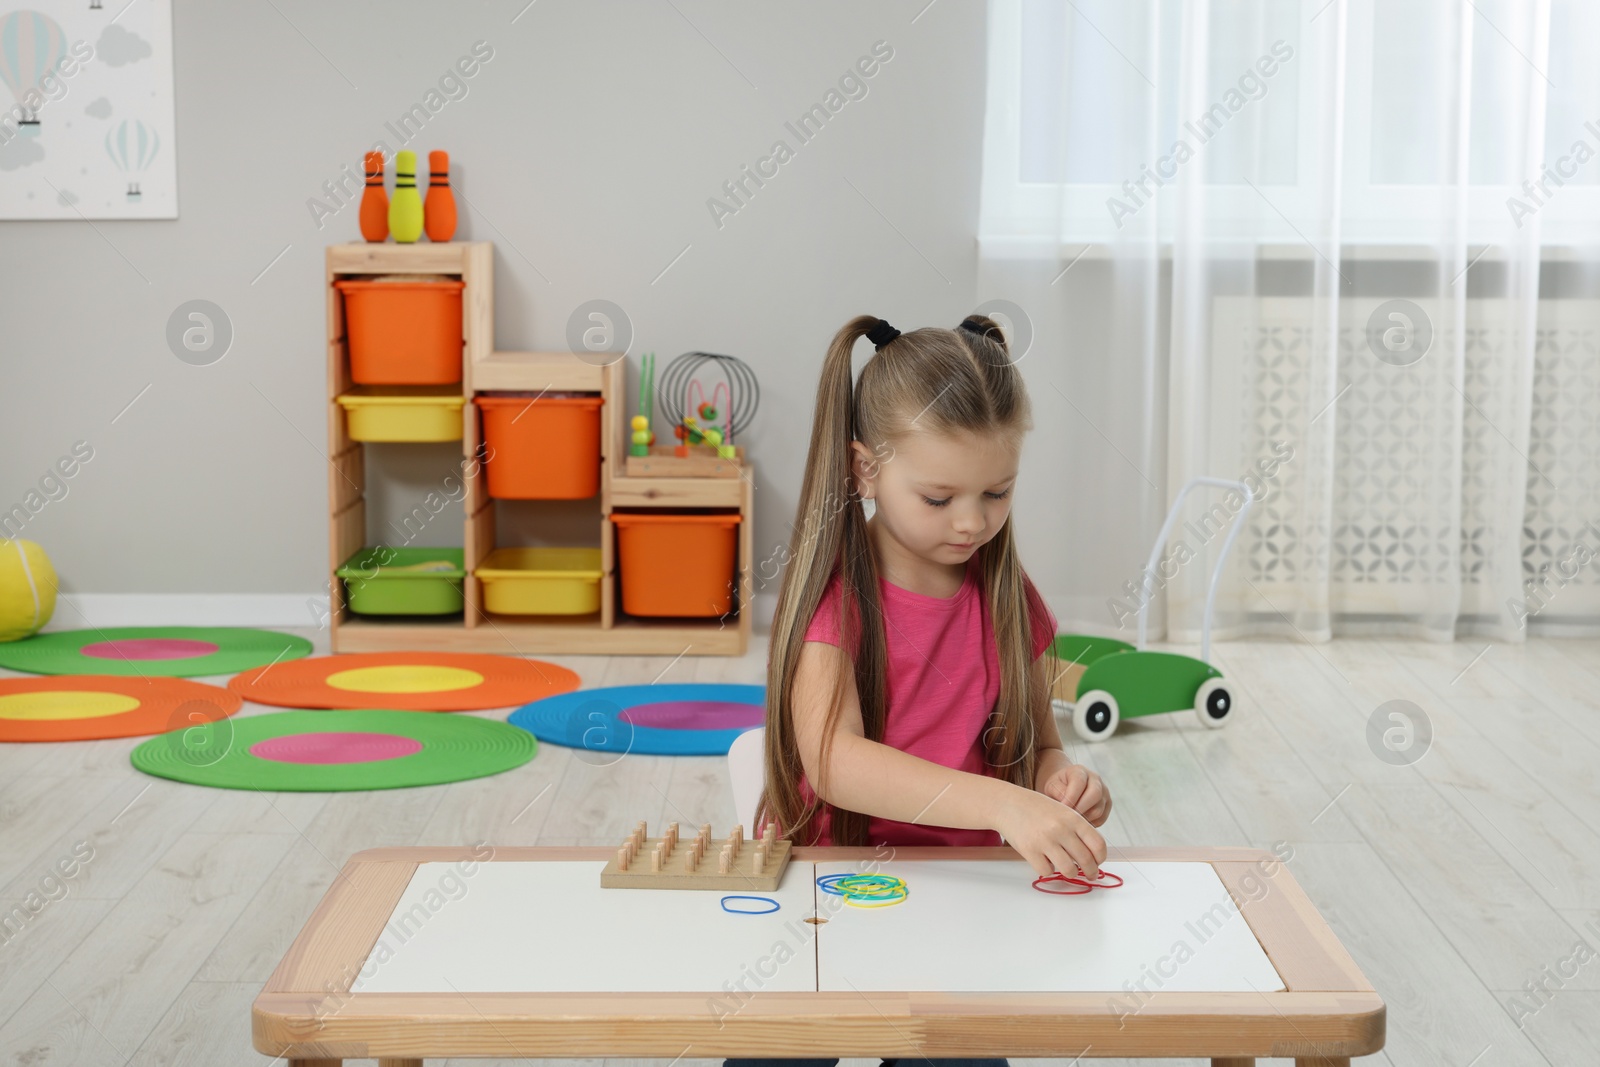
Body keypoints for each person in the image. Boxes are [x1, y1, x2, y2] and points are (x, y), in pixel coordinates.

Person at [724, 315, 1113, 1067]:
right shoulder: (838, 595)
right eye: (939, 498)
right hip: (824, 886)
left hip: (962, 895)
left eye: (997, 492)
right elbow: (835, 760)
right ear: (864, 469)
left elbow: (1038, 745)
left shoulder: (1007, 594)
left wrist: (1055, 783)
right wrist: (1003, 803)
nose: (972, 521)